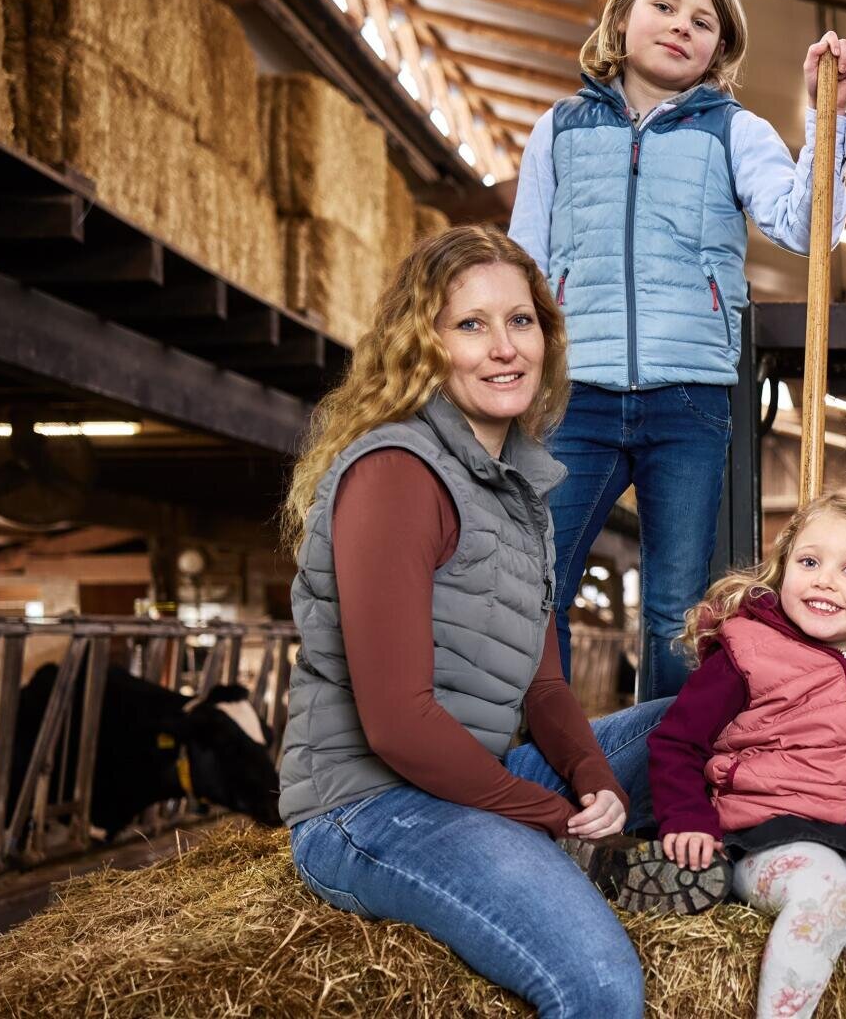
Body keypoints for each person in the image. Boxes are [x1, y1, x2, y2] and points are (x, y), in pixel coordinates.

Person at [276, 226, 717, 1017]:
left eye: (521, 321)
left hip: (471, 780)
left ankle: (790, 871)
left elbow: (544, 687)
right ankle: (575, 873)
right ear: (425, 345)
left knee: (702, 723)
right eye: (471, 325)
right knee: (600, 985)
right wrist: (559, 818)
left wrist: (593, 777)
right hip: (371, 808)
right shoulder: (395, 473)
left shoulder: (519, 489)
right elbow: (399, 727)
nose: (505, 347)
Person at [508, 0, 846, 702]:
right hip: (577, 394)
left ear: (719, 47)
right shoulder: (559, 130)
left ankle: (660, 762)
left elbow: (807, 229)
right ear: (622, 17)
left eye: (703, 21)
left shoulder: (733, 131)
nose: (681, 26)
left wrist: (826, 117)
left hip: (689, 398)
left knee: (676, 608)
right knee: (538, 583)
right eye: (664, 7)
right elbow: (524, 264)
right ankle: (549, 757)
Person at [647, 491, 846, 1019]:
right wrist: (687, 818)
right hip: (770, 838)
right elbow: (677, 742)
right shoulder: (750, 652)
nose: (824, 580)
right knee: (823, 888)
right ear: (783, 571)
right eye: (809, 562)